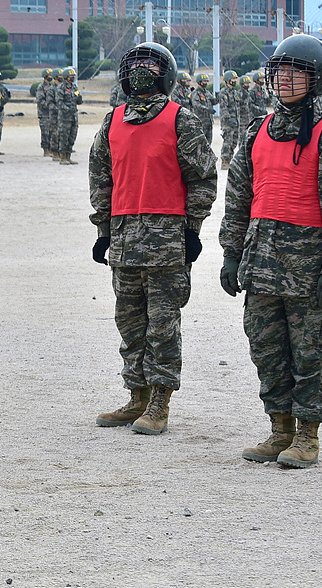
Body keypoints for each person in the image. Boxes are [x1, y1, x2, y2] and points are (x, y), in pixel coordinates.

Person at [219, 34, 322, 468]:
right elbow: (239, 197)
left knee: (310, 352)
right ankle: (279, 427)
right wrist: (230, 253)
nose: (284, 77)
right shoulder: (256, 132)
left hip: (309, 269)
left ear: (315, 79)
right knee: (266, 348)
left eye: (296, 70)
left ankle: (306, 436)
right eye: (279, 69)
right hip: (261, 264)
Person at [89, 43, 217, 434]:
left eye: (150, 66)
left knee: (162, 324)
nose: (141, 73)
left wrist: (192, 228)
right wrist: (103, 231)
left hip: (167, 242)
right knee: (129, 322)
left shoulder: (183, 121)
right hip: (125, 241)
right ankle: (137, 396)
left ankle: (160, 401)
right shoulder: (111, 122)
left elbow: (203, 176)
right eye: (135, 66)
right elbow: (101, 178)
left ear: (165, 75)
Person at [56, 66, 83, 164]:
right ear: (66, 77)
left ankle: (68, 156)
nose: (73, 77)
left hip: (74, 117)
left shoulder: (74, 87)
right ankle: (62, 157)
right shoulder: (61, 88)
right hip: (64, 118)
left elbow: (79, 101)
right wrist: (68, 110)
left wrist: (79, 97)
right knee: (64, 137)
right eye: (71, 76)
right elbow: (59, 103)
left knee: (72, 137)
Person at [219, 70, 240, 170]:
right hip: (228, 122)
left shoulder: (234, 92)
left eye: (235, 79)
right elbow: (224, 108)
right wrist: (229, 119)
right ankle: (224, 161)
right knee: (228, 141)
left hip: (236, 121)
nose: (235, 80)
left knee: (234, 142)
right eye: (233, 79)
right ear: (227, 80)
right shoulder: (224, 92)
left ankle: (230, 159)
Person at [190, 72, 217, 148]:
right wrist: (207, 109)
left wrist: (218, 98)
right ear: (199, 82)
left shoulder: (207, 93)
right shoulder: (195, 93)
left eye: (206, 81)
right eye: (204, 81)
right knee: (200, 143)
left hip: (209, 121)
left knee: (208, 143)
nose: (206, 83)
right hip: (201, 122)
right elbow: (196, 105)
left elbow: (213, 101)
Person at [36, 69, 56, 156]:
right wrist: (49, 106)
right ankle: (45, 150)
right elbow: (40, 100)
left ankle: (51, 149)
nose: (51, 77)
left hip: (51, 114)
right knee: (45, 132)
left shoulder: (52, 87)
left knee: (52, 132)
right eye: (49, 75)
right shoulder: (41, 87)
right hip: (44, 114)